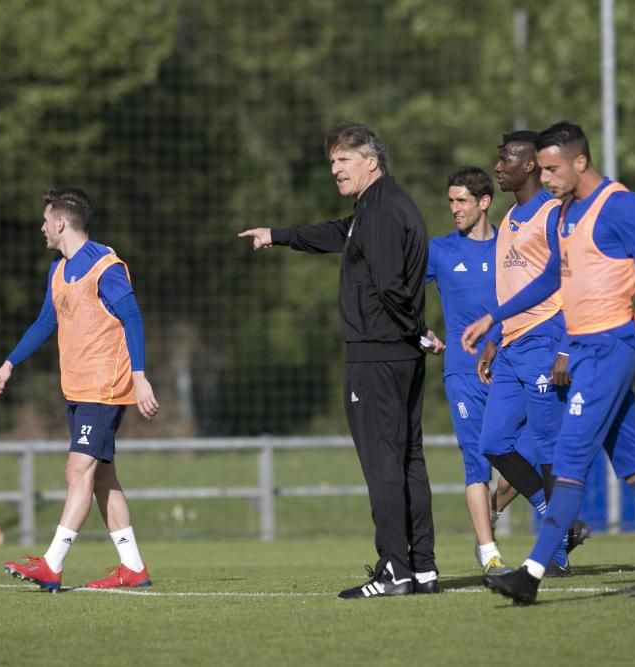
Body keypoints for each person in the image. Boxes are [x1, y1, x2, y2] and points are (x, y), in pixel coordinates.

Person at [464, 121, 635, 603]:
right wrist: (496, 315)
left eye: (552, 169)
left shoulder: (622, 206)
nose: (546, 178)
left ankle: (529, 576)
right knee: (633, 463)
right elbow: (552, 277)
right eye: (543, 170)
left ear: (579, 162)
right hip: (590, 349)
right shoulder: (566, 211)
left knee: (570, 458)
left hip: (611, 346)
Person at [238, 122, 439, 598]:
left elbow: (390, 284)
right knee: (408, 458)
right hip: (399, 352)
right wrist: (279, 234)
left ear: (371, 161)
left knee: (383, 462)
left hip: (379, 356)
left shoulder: (384, 210)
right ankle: (423, 567)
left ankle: (395, 570)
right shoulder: (374, 207)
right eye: (332, 162)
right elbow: (336, 233)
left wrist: (415, 329)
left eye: (343, 160)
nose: (335, 169)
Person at [0, 187, 160, 592]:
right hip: (78, 388)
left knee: (77, 469)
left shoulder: (105, 266)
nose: (42, 226)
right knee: (102, 479)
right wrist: (9, 363)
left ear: (61, 222)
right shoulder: (58, 268)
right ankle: (132, 567)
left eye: (46, 219)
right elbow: (46, 322)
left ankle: (52, 563)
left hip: (105, 386)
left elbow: (133, 318)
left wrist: (139, 376)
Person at [475, 130, 578, 575]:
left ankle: (556, 557)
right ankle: (558, 523)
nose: (498, 167)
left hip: (545, 341)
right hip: (512, 347)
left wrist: (566, 348)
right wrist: (494, 338)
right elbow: (509, 288)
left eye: (506, 159)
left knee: (551, 450)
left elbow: (571, 282)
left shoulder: (553, 213)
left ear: (530, 164)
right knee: (494, 442)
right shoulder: (511, 217)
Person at [425, 166, 515, 575]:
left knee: (525, 457)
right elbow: (400, 289)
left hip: (511, 368)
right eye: (450, 201)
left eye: (461, 201)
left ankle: (491, 509)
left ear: (484, 202)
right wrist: (418, 330)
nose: (454, 209)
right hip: (462, 374)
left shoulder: (512, 248)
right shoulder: (440, 250)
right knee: (476, 462)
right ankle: (488, 553)